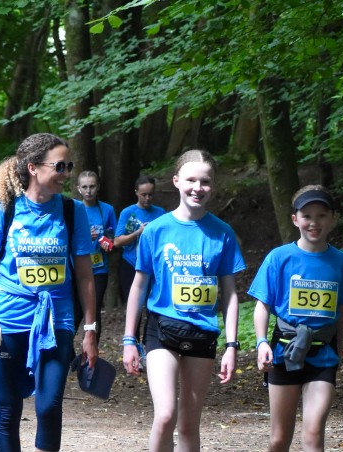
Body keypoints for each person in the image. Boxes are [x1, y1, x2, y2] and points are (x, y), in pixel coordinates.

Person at [0, 133, 99, 451]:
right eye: (59, 166)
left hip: (57, 323)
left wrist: (91, 330)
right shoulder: (5, 209)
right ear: (33, 167)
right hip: (7, 321)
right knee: (7, 410)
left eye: (68, 165)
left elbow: (85, 277)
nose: (66, 173)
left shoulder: (72, 212)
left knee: (49, 406)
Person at [122, 149, 245, 451]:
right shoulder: (156, 230)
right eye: (191, 180)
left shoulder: (223, 233)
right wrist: (128, 340)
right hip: (161, 329)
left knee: (189, 424)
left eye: (205, 182)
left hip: (203, 333)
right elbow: (139, 286)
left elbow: (229, 294)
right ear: (177, 181)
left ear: (212, 186)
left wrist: (232, 345)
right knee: (165, 415)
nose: (197, 188)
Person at [249, 185, 343, 452]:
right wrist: (262, 342)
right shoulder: (279, 257)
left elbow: (341, 308)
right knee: (278, 439)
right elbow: (262, 305)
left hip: (323, 356)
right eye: (307, 215)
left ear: (332, 218)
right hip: (284, 352)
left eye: (321, 215)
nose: (314, 222)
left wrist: (340, 344)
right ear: (295, 219)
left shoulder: (342, 262)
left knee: (313, 433)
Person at [114, 175, 165, 354]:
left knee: (152, 306)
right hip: (131, 265)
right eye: (144, 194)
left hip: (153, 267)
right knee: (134, 306)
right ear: (136, 193)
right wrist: (138, 232)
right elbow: (117, 241)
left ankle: (148, 346)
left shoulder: (161, 213)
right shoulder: (128, 213)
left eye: (151, 194)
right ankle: (132, 345)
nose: (147, 198)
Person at [76, 170, 117, 344]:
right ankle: (68, 354)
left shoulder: (107, 210)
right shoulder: (74, 208)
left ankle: (93, 351)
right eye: (84, 187)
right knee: (76, 310)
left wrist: (107, 242)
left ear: (98, 187)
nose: (89, 191)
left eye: (92, 186)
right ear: (78, 189)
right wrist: (86, 236)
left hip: (99, 268)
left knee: (93, 309)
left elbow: (113, 236)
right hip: (77, 267)